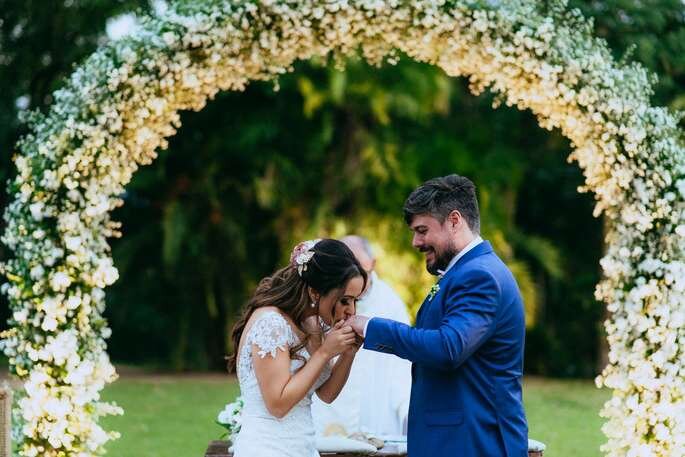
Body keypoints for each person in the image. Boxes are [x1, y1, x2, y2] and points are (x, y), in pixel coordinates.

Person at [346, 175, 529, 457]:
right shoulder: (462, 272)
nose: (415, 242)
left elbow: (447, 347)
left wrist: (371, 327)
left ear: (454, 221)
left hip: (474, 442)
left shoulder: (479, 276)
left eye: (422, 230)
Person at [227, 238, 367, 457]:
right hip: (267, 448)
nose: (351, 311)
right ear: (314, 292)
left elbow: (326, 394)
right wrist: (325, 352)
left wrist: (349, 353)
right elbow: (278, 404)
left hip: (303, 447)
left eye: (355, 301)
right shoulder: (271, 323)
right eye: (344, 300)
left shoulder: (311, 325)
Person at [312, 235, 411, 438]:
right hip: (326, 404)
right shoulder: (322, 302)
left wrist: (405, 408)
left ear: (373, 263)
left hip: (373, 406)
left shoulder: (390, 303)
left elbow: (401, 365)